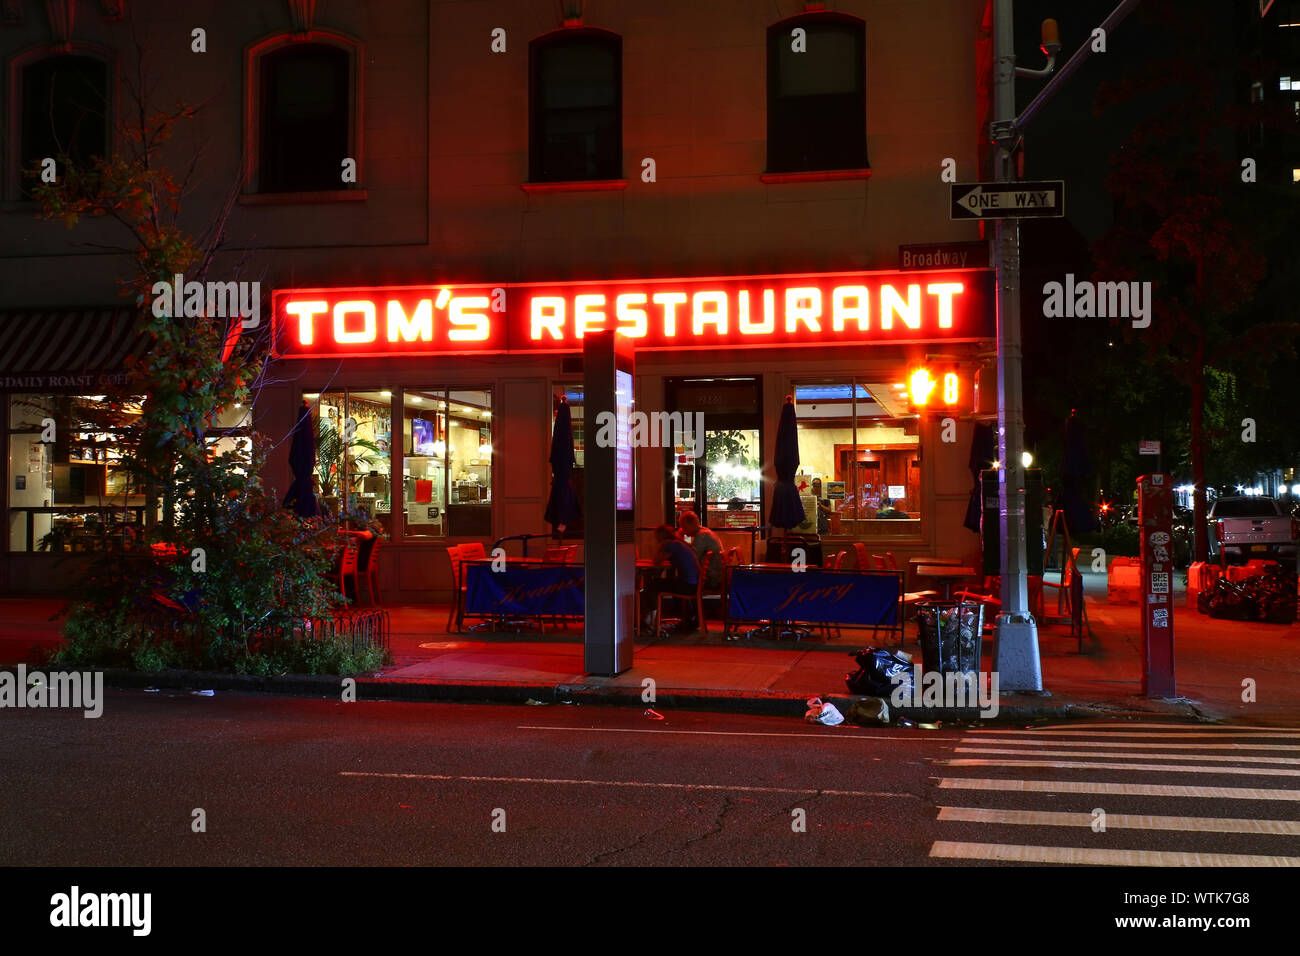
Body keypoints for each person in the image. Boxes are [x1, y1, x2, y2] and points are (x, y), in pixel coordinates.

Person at [642, 524, 701, 632]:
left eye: (656, 536)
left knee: (652, 585)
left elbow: (656, 561)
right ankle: (650, 618)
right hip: (693, 583)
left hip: (687, 585)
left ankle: (650, 620)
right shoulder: (678, 544)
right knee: (656, 583)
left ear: (660, 536)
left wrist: (660, 546)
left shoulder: (670, 545)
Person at [679, 510, 723, 591]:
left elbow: (690, 559)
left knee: (678, 582)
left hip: (710, 580)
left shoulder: (701, 536)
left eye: (684, 527)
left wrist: (680, 539)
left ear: (691, 524)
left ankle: (688, 603)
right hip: (716, 577)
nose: (683, 531)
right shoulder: (705, 532)